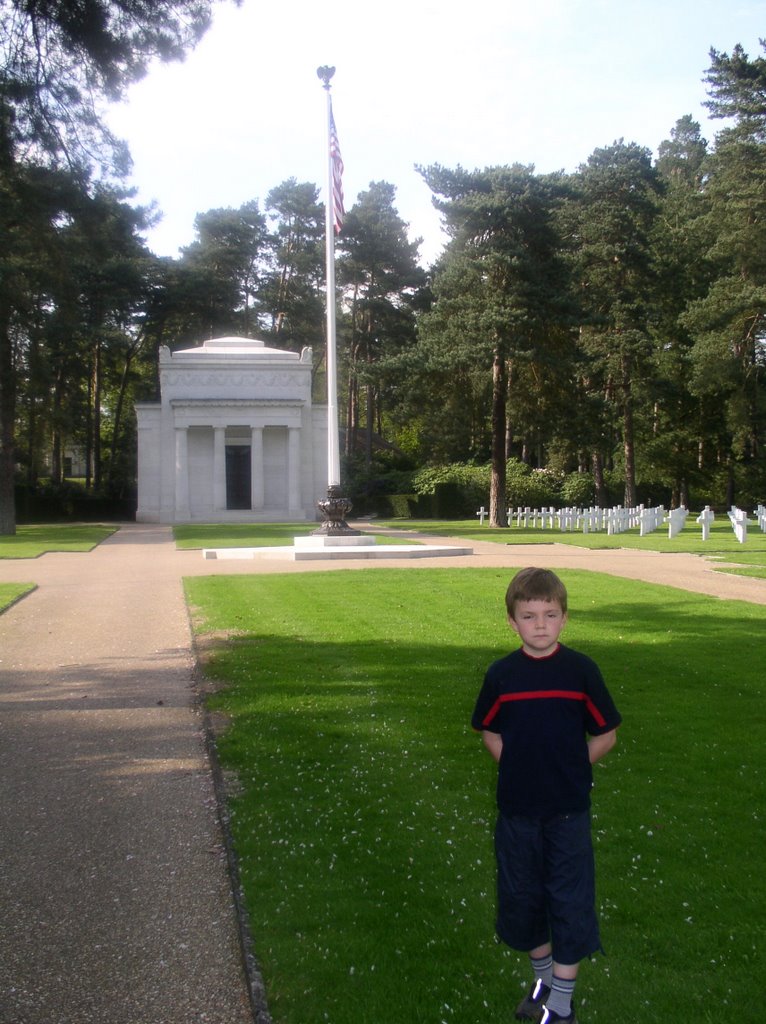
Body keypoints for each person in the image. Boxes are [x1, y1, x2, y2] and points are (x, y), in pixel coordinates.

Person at [471, 567, 621, 1024]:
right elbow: (490, 731)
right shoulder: (502, 675)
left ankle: (561, 1004)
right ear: (512, 622)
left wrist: (571, 768)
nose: (540, 624)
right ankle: (543, 981)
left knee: (569, 900)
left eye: (550, 614)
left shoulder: (580, 672)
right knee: (523, 897)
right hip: (518, 812)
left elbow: (606, 734)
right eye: (529, 615)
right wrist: (518, 768)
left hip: (567, 812)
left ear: (564, 619)